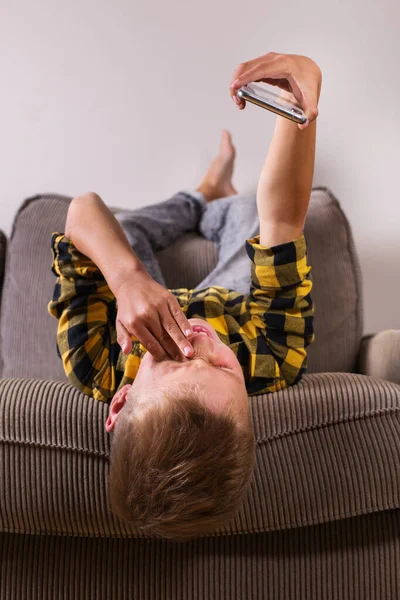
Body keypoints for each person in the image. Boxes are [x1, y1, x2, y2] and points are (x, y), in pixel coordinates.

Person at [48, 51, 321, 541]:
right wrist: (294, 107)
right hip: (233, 300)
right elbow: (283, 223)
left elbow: (83, 210)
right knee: (249, 221)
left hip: (140, 293)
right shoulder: (272, 359)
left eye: (172, 362)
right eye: (221, 368)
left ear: (121, 401)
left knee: (123, 228)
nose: (198, 343)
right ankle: (217, 197)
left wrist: (127, 276)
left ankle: (198, 193)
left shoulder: (96, 363)